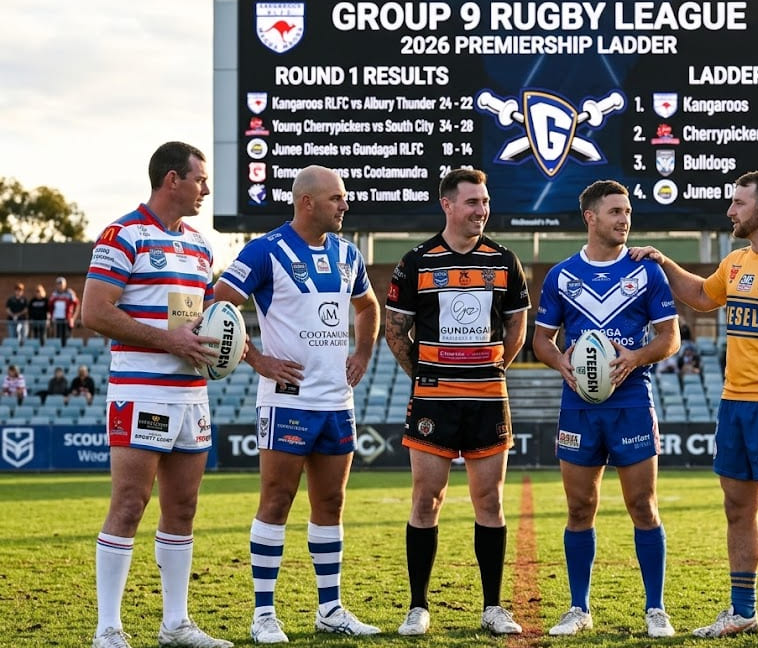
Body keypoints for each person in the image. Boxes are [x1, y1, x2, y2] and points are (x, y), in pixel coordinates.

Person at [632, 171, 758, 644]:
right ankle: (743, 611)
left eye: (738, 203)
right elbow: (701, 296)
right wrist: (662, 262)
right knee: (738, 510)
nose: (730, 211)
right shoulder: (737, 260)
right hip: (733, 405)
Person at [214, 165, 381, 643]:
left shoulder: (349, 254)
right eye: (336, 198)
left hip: (336, 402)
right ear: (306, 202)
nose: (344, 205)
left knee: (330, 503)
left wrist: (364, 351)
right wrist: (257, 359)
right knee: (277, 501)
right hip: (287, 401)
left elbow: (367, 307)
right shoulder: (264, 251)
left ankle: (330, 608)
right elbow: (218, 306)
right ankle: (263, 614)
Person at [81, 141, 232, 648]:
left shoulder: (200, 244)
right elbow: (95, 312)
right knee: (129, 503)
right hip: (141, 391)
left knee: (183, 508)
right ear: (172, 180)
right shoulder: (122, 235)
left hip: (192, 396)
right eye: (200, 179)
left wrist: (228, 345)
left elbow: (203, 320)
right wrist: (170, 340)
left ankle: (176, 624)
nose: (206, 189)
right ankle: (108, 628)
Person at [384, 168, 529, 636]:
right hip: (433, 400)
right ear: (447, 204)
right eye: (472, 202)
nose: (481, 210)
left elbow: (516, 325)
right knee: (427, 499)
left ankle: (492, 606)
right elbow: (394, 329)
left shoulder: (505, 260)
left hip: (488, 398)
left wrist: (493, 368)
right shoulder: (417, 261)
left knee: (490, 500)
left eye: (485, 202)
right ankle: (418, 607)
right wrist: (428, 376)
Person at [533, 180, 681, 639]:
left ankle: (655, 609)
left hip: (632, 401)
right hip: (578, 406)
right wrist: (563, 363)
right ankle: (579, 608)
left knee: (642, 505)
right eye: (615, 211)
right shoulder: (561, 275)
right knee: (580, 508)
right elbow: (541, 340)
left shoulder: (646, 272)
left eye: (628, 211)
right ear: (590, 217)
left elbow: (670, 338)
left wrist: (634, 358)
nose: (625, 219)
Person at [49, 275, 79, 347]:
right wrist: (51, 317)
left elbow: (77, 305)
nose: (59, 286)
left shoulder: (70, 294)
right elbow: (50, 307)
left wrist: (73, 318)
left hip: (67, 321)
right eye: (58, 284)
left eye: (61, 284)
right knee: (58, 338)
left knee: (67, 337)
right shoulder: (54, 294)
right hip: (57, 320)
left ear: (65, 284)